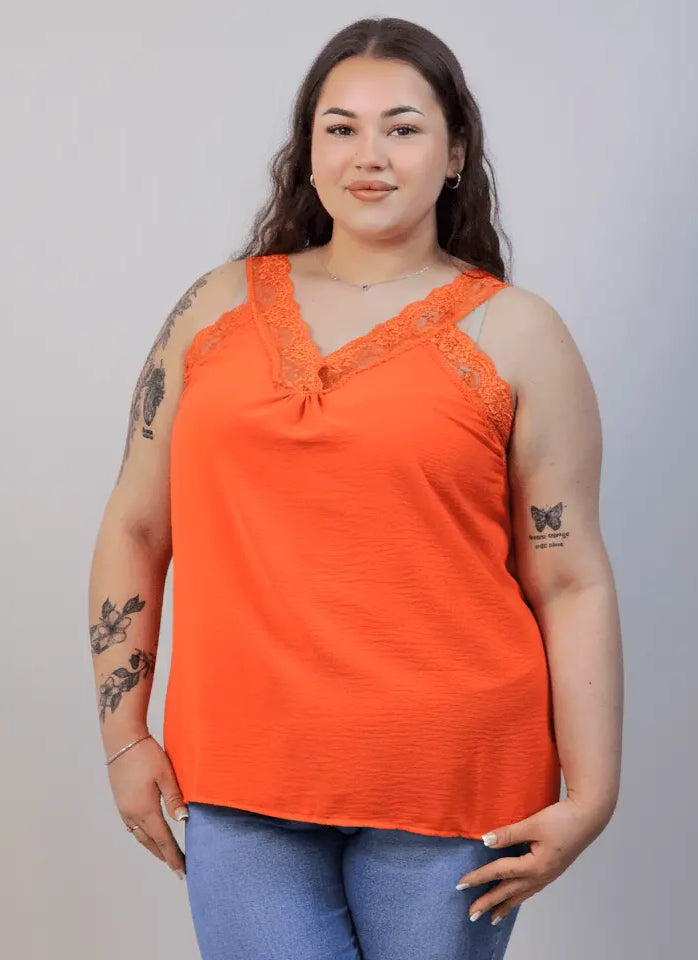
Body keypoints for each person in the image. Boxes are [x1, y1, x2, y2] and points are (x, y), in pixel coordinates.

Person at [87, 15, 623, 960]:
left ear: (455, 153)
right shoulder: (213, 307)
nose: (368, 155)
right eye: (340, 127)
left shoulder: (519, 333)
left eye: (402, 128)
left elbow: (569, 575)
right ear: (308, 149)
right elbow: (135, 526)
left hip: (453, 780)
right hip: (240, 772)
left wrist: (593, 794)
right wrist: (125, 737)